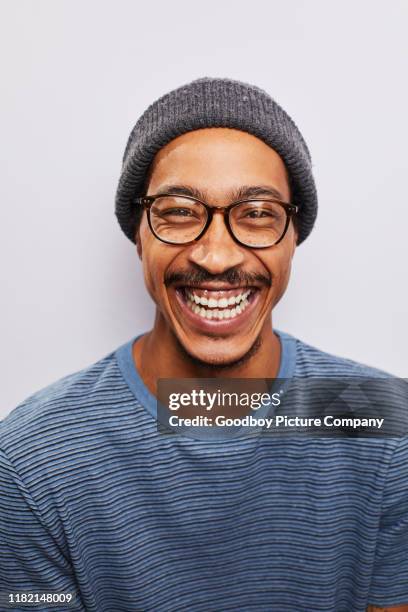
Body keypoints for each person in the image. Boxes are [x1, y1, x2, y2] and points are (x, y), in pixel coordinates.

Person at [1, 77, 407, 612]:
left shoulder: (380, 420)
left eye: (258, 214)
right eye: (179, 212)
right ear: (138, 234)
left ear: (293, 237)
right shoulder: (31, 462)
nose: (216, 257)